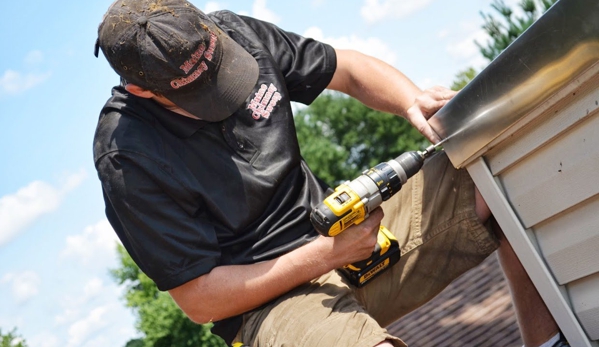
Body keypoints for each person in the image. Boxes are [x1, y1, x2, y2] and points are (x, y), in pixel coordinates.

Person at [93, 0, 567, 346]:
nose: (224, 91)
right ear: (141, 89)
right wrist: (325, 255)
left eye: (222, 69)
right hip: (268, 306)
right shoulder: (127, 157)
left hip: (342, 233)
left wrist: (410, 101)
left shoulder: (238, 33)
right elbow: (200, 300)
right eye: (201, 93)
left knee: (498, 173)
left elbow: (346, 69)